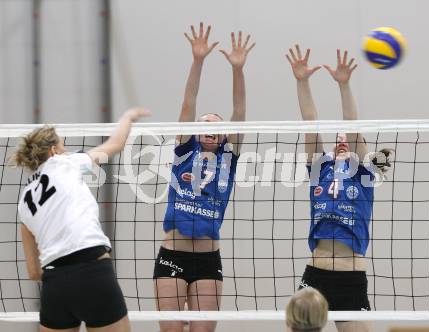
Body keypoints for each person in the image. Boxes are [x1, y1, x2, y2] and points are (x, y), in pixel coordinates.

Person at [153, 22, 255, 332]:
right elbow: (188, 104)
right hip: (172, 254)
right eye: (205, 122)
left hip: (209, 260)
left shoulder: (229, 156)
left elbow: (239, 111)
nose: (210, 126)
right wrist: (198, 61)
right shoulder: (185, 151)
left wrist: (237, 70)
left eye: (217, 124)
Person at [286, 45, 392, 332]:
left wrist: (344, 86)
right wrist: (302, 81)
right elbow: (310, 122)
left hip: (350, 279)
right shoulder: (320, 171)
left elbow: (353, 126)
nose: (343, 141)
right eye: (339, 138)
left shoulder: (364, 175)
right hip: (315, 276)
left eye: (348, 139)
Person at [16, 108, 151, 332]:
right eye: (62, 145)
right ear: (53, 151)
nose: (66, 149)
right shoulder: (64, 163)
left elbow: (33, 271)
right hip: (92, 272)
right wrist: (128, 117)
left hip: (54, 284)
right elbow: (115, 145)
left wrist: (64, 279)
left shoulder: (23, 200)